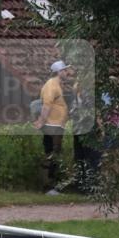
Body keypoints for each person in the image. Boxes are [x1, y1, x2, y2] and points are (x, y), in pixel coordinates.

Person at [34, 60, 74, 193]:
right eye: (64, 70)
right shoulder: (51, 85)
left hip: (56, 126)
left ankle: (51, 185)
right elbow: (46, 105)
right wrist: (41, 121)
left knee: (54, 154)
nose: (66, 72)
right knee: (51, 154)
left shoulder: (57, 85)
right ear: (58, 72)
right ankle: (48, 187)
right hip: (52, 126)